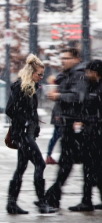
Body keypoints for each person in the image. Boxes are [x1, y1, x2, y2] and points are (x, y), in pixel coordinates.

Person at [5, 54, 57, 214]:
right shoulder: (21, 86)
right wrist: (26, 122)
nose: (41, 77)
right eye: (39, 74)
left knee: (21, 167)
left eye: (42, 74)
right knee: (40, 164)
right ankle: (41, 203)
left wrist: (34, 126)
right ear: (30, 72)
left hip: (27, 133)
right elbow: (10, 110)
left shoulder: (31, 87)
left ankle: (12, 204)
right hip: (22, 134)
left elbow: (30, 111)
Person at [44, 48, 88, 208]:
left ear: (76, 59)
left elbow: (78, 97)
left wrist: (59, 96)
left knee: (71, 162)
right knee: (67, 162)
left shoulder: (79, 75)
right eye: (62, 58)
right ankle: (53, 196)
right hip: (67, 123)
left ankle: (53, 196)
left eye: (67, 58)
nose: (63, 61)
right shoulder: (69, 74)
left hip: (75, 124)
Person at [68, 60, 102, 211]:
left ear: (97, 73)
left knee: (91, 168)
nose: (87, 74)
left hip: (97, 135)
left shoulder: (99, 88)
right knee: (92, 169)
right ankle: (87, 199)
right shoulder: (92, 86)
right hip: (90, 134)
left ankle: (86, 201)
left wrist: (88, 121)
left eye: (90, 72)